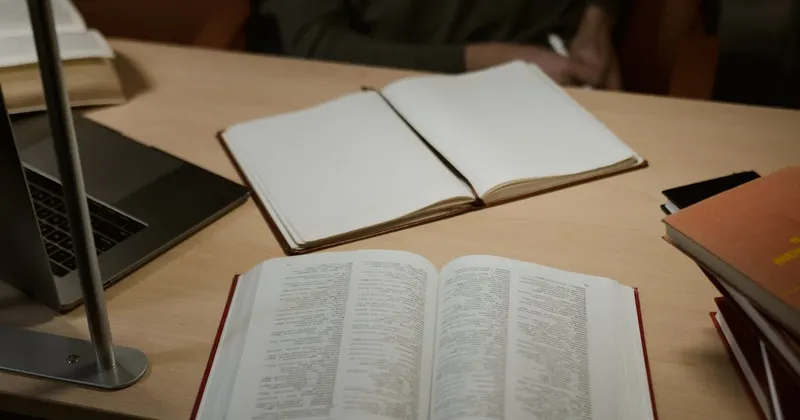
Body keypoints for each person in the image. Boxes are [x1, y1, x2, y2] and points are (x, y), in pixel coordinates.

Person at [259, 0, 623, 89]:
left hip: (553, 67)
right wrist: (487, 59)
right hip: (383, 82)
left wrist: (597, 20)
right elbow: (315, 46)